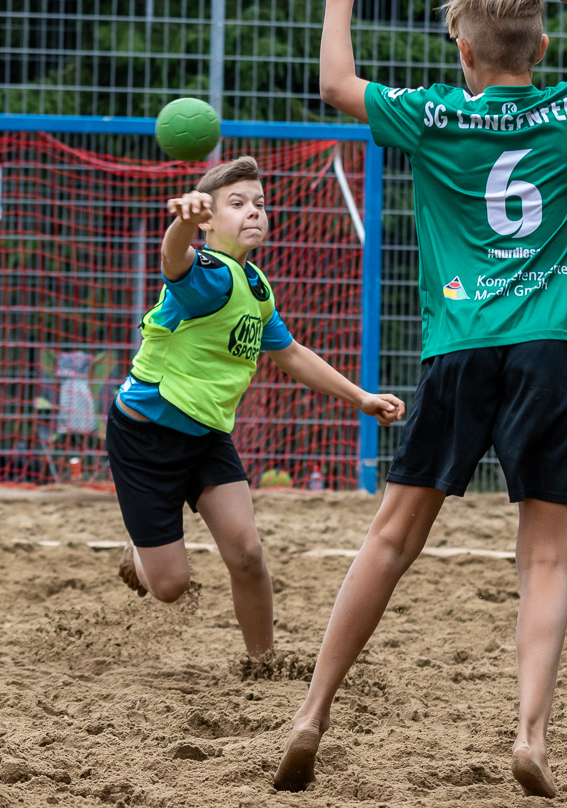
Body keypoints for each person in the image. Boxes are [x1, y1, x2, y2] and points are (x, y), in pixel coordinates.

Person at [273, 0, 567, 797]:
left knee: (391, 537)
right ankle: (531, 734)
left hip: (461, 344)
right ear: (542, 47)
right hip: (551, 346)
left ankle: (311, 711)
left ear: (461, 48)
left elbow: (334, 84)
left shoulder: (434, 112)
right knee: (544, 555)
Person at [107, 155, 404, 659]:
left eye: (260, 204)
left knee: (247, 553)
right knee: (171, 586)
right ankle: (138, 551)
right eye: (237, 203)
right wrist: (182, 223)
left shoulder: (256, 284)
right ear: (208, 219)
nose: (254, 213)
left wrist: (360, 396)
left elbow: (288, 352)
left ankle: (261, 663)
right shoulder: (207, 273)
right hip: (146, 435)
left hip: (205, 437)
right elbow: (172, 260)